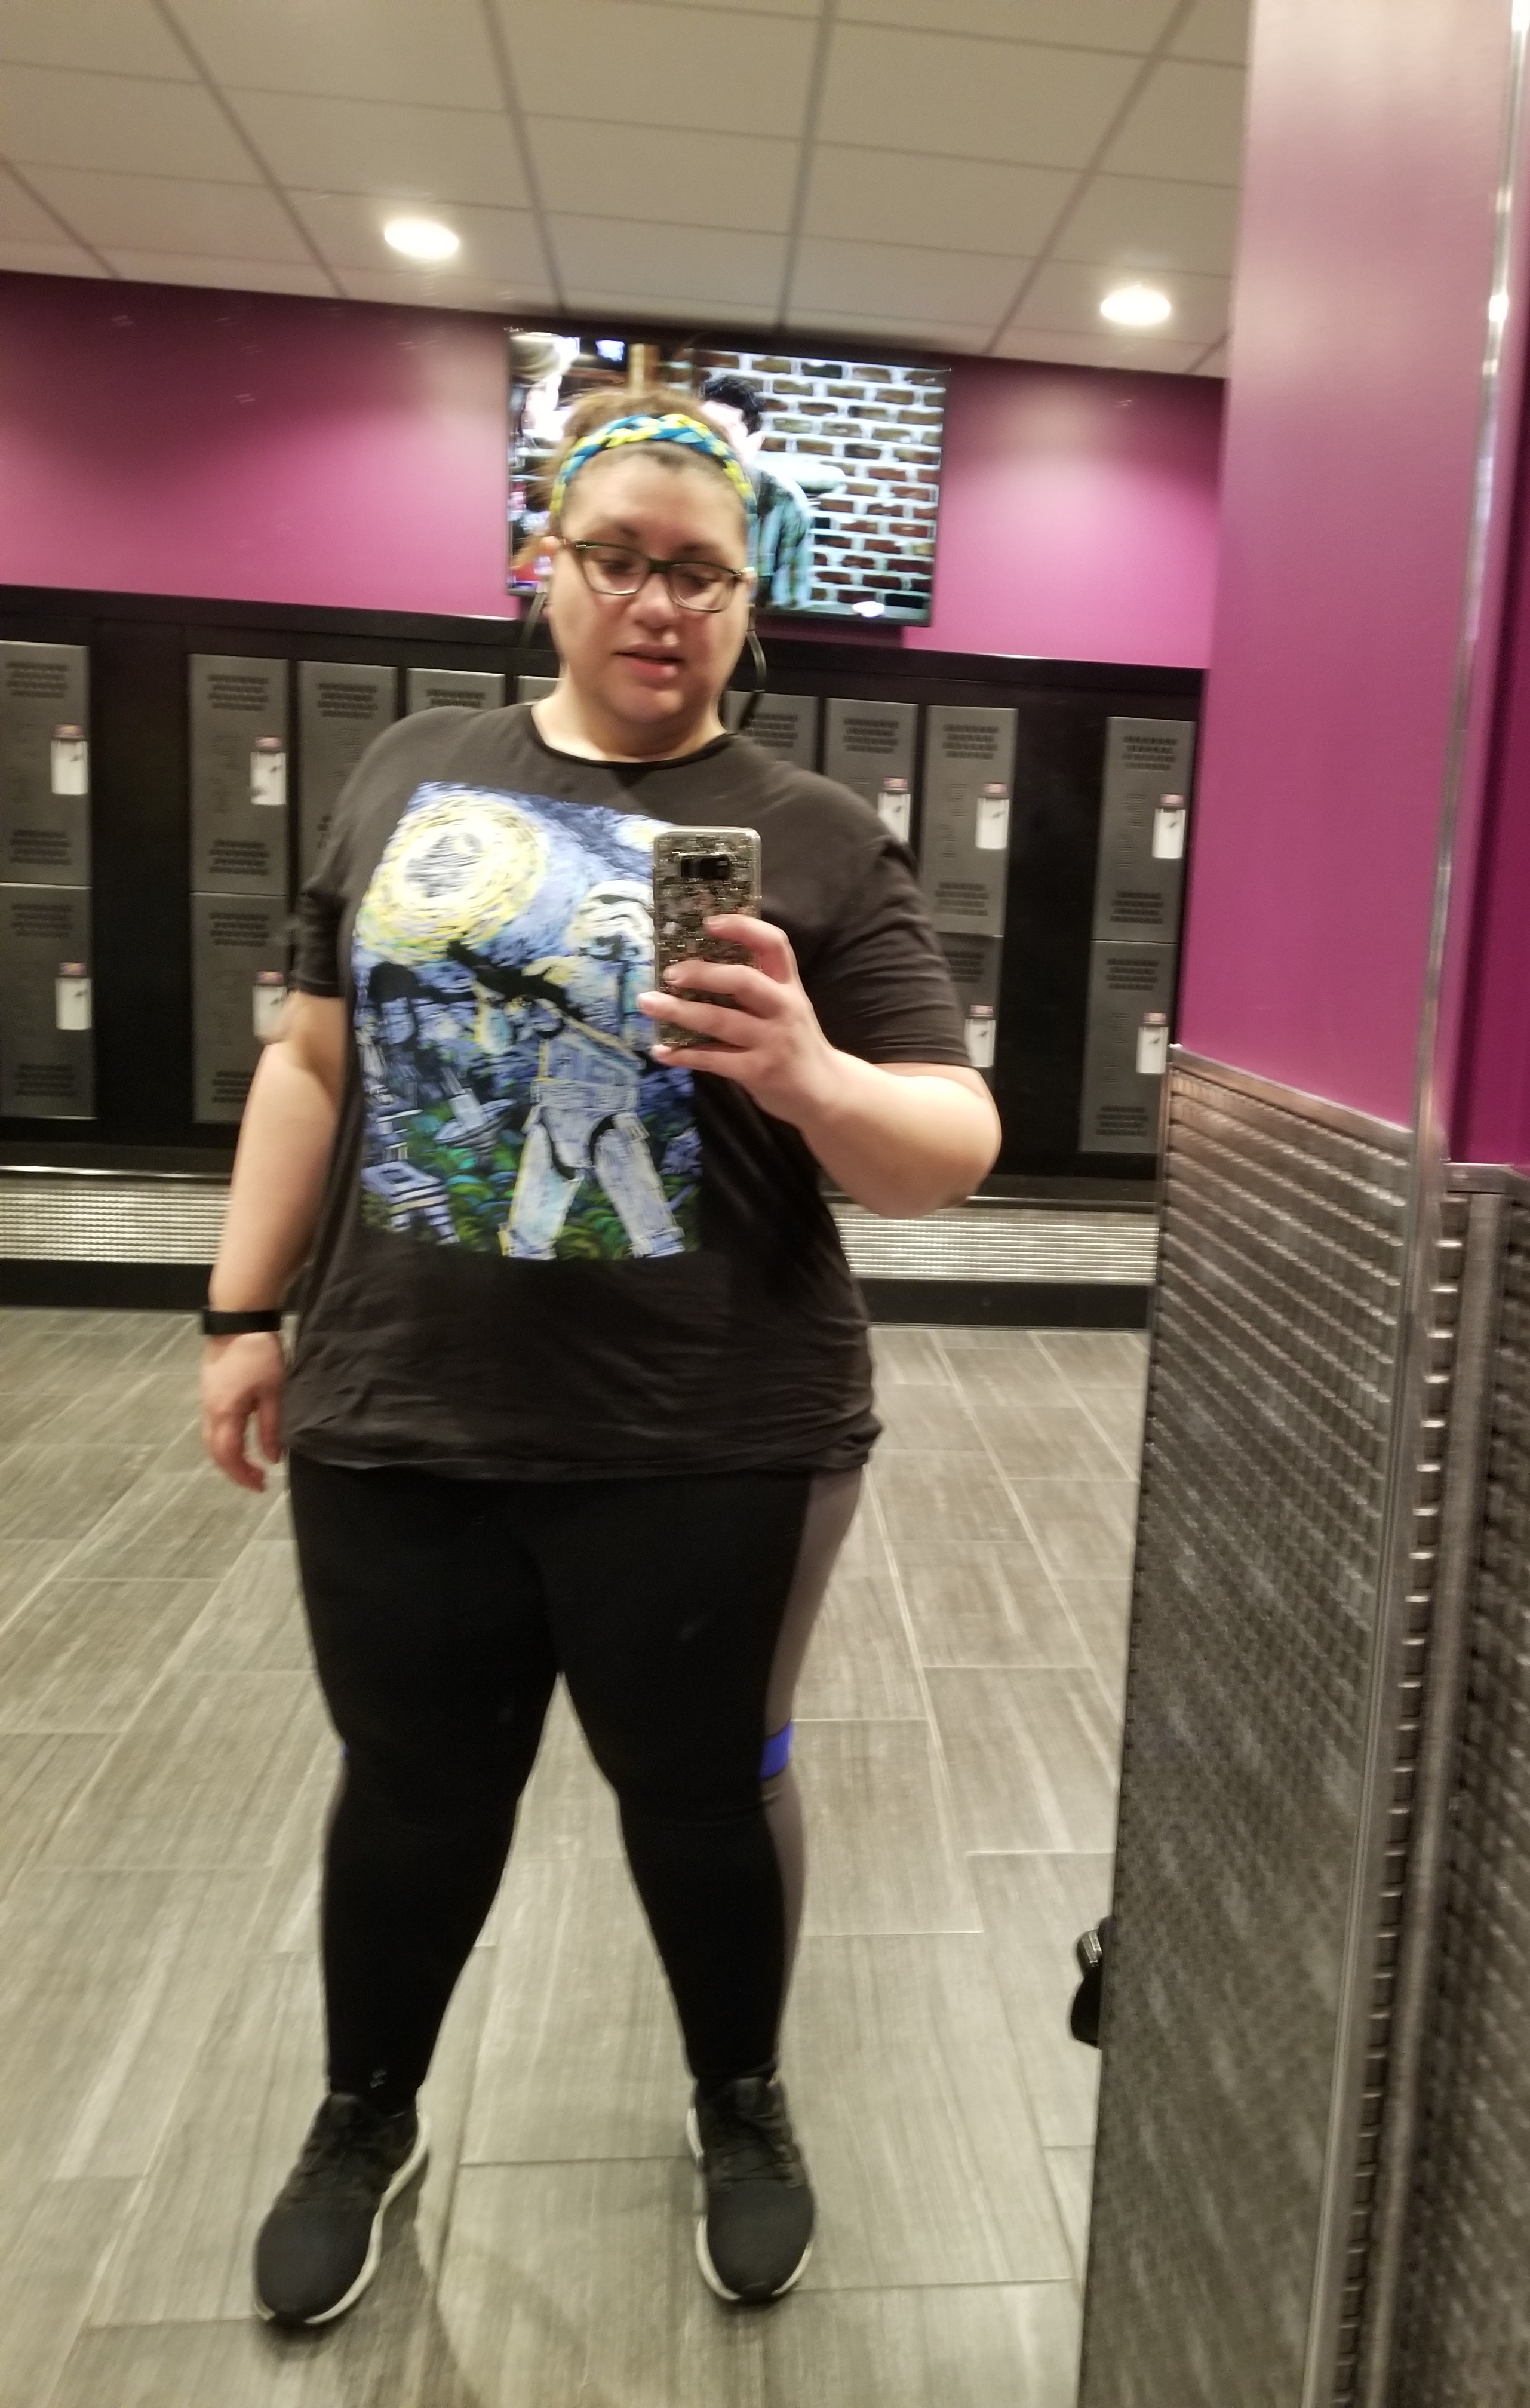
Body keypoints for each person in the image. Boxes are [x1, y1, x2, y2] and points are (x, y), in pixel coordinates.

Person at [199, 386, 999, 2328]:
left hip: (709, 1428)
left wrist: (808, 1073)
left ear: (748, 602)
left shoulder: (815, 832)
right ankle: (365, 2114)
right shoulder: (409, 769)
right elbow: (310, 1062)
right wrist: (239, 1311)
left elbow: (948, 1151)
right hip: (403, 1403)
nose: (659, 603)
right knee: (413, 1789)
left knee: (700, 1792)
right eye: (620, 560)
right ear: (543, 568)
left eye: (701, 574)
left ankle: (741, 2101)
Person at [698, 371, 821, 611]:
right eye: (701, 430)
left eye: (723, 434)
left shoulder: (785, 503)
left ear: (755, 444)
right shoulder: (670, 493)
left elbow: (787, 608)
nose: (709, 445)